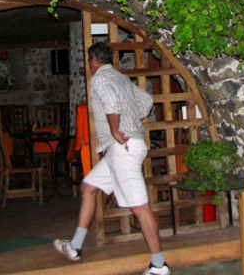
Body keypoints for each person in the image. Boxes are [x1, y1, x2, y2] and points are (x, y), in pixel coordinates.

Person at [53, 42, 171, 275]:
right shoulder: (121, 78)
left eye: (89, 61)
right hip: (122, 149)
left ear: (94, 60)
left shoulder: (100, 78)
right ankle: (75, 246)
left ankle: (158, 264)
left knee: (140, 207)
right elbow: (146, 100)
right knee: (88, 187)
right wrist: (133, 122)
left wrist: (117, 129)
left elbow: (112, 104)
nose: (89, 66)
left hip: (122, 148)